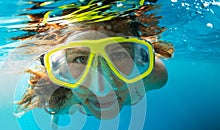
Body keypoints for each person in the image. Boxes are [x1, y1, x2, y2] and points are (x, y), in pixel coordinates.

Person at [13, 1, 174, 122]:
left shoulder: (155, 76)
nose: (103, 90)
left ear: (138, 59)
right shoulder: (58, 100)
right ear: (61, 68)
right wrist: (55, 116)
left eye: (118, 56)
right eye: (81, 59)